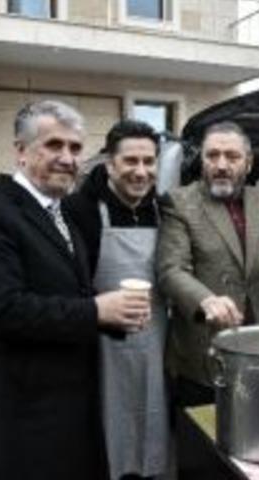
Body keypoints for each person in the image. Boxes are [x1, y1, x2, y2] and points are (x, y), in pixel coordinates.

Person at [0, 100, 151, 480]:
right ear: (21, 151)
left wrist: (115, 316)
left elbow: (60, 297)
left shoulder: (61, 215)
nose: (67, 158)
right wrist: (96, 311)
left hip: (70, 413)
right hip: (22, 422)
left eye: (75, 148)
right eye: (54, 145)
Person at [156, 121, 259, 405]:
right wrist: (205, 300)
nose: (221, 165)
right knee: (206, 441)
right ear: (201, 161)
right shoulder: (180, 203)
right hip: (208, 350)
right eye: (212, 155)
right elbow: (171, 269)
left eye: (232, 156)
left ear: (248, 163)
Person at [64, 119, 169, 480]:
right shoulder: (79, 210)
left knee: (154, 423)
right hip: (100, 347)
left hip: (157, 342)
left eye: (149, 161)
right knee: (106, 433)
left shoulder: (165, 210)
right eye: (130, 162)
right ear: (110, 163)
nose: (141, 172)